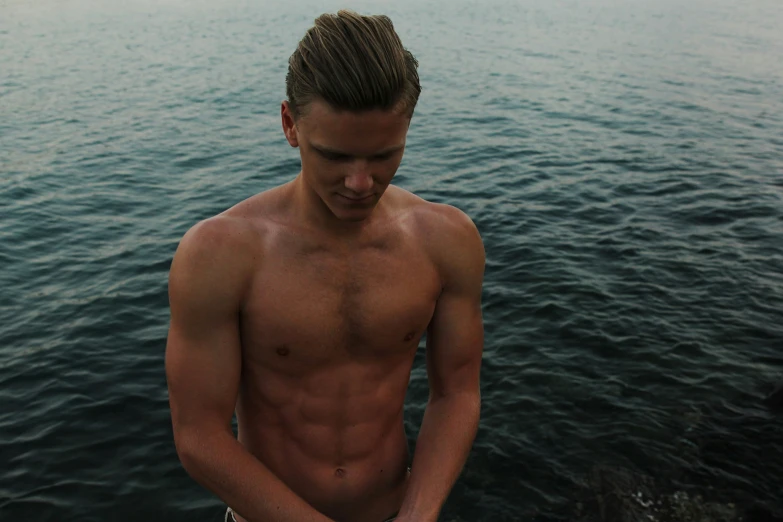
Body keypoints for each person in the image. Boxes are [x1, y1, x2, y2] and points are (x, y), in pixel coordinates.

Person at [165, 9, 484, 522]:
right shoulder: (220, 253)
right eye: (334, 156)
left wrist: (419, 515)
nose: (360, 183)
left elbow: (456, 393)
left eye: (384, 155)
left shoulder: (446, 240)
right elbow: (198, 434)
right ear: (290, 124)